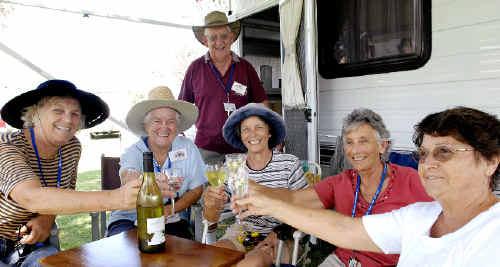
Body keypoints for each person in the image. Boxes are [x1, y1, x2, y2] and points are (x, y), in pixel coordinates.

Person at [235, 106, 500, 266]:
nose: (428, 164)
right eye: (423, 154)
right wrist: (257, 193)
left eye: (444, 152)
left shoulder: (414, 184)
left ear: (490, 162)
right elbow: (341, 228)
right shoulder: (420, 217)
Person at [0, 79, 140, 267]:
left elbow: (65, 192)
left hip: (33, 243)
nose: (68, 119)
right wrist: (118, 198)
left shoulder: (71, 147)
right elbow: (31, 197)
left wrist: (47, 218)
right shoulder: (6, 145)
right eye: (58, 110)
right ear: (34, 114)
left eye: (75, 113)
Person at [203, 103, 307, 266]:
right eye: (245, 129)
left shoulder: (289, 164)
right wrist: (211, 204)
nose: (252, 134)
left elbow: (308, 207)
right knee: (213, 256)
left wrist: (279, 233)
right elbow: (212, 218)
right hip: (245, 231)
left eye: (258, 127)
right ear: (241, 136)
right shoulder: (234, 167)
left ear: (269, 132)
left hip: (283, 234)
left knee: (253, 262)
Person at [108, 86, 206, 239]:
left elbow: (197, 189)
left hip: (171, 219)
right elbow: (127, 176)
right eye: (157, 121)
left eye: (171, 121)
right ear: (146, 126)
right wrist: (146, 182)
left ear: (177, 126)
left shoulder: (188, 148)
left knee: (181, 255)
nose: (164, 127)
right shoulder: (135, 151)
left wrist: (169, 210)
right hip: (130, 217)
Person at [179, 11, 269, 164]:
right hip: (207, 150)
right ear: (204, 40)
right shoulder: (195, 68)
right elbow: (182, 107)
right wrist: (179, 139)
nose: (219, 42)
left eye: (224, 36)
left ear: (232, 37)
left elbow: (262, 103)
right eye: (213, 38)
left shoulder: (245, 67)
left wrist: (266, 133)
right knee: (210, 188)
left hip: (242, 147)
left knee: (242, 187)